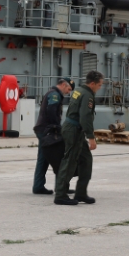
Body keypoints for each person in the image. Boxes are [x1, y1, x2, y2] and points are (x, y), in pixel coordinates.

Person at [53, 70, 104, 205]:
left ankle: (81, 193)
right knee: (69, 161)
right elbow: (85, 117)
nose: (100, 88)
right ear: (92, 83)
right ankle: (60, 195)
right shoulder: (87, 95)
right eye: (99, 85)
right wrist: (91, 137)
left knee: (86, 160)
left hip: (74, 129)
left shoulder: (80, 90)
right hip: (74, 130)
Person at [32, 78, 74, 195]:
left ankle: (38, 186)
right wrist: (56, 127)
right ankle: (61, 187)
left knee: (44, 158)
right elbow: (51, 110)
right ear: (63, 85)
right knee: (58, 157)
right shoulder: (55, 95)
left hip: (43, 130)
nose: (68, 92)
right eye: (68, 89)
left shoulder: (51, 93)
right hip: (48, 131)